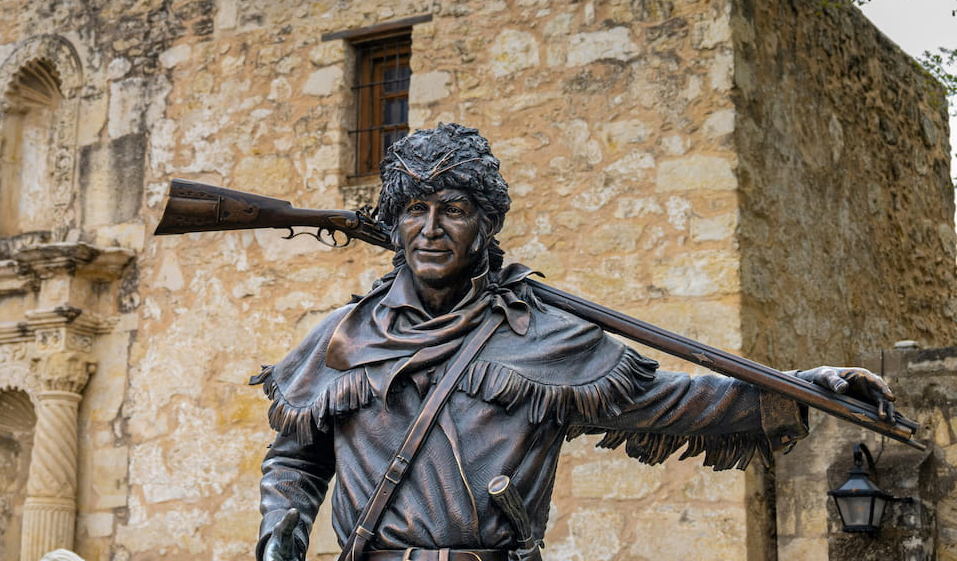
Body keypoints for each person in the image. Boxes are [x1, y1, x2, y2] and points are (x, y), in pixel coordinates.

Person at [253, 124, 894, 561]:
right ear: (394, 223)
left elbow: (675, 401)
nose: (430, 229)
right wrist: (281, 532)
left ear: (484, 224)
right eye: (414, 210)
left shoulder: (546, 337)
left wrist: (806, 388)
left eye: (452, 208)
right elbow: (297, 459)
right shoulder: (341, 336)